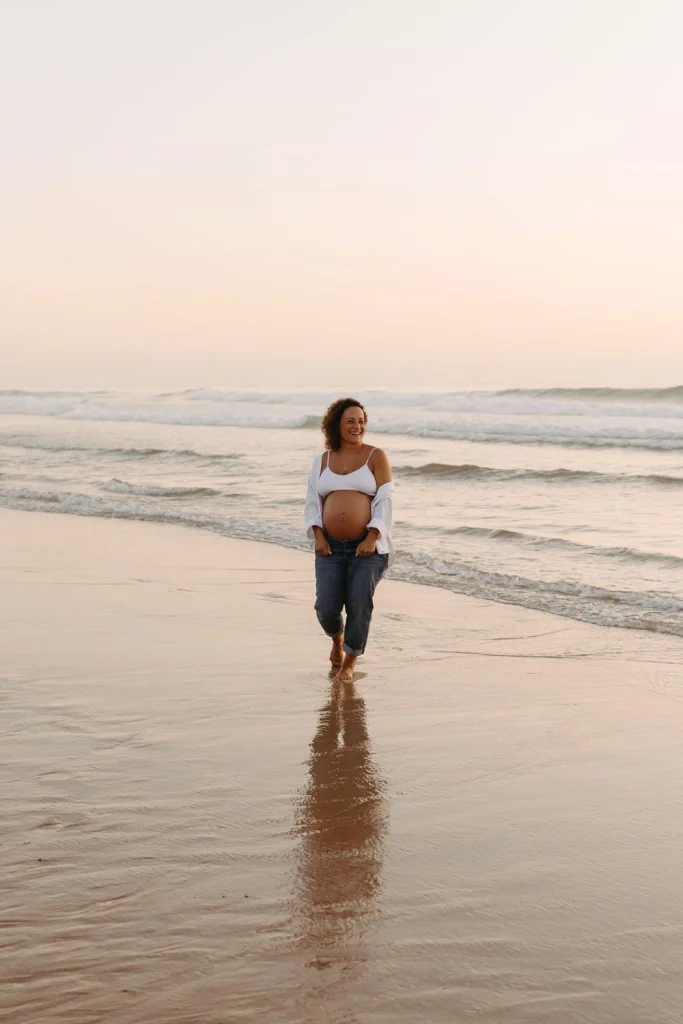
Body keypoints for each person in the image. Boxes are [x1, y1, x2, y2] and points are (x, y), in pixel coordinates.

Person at [304, 398, 394, 681]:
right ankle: (337, 641)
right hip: (329, 545)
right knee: (326, 607)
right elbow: (312, 502)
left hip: (368, 548)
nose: (358, 426)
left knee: (358, 604)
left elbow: (384, 500)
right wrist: (317, 535)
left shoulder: (375, 456)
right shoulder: (322, 461)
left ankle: (350, 663)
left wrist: (372, 535)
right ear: (336, 425)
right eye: (351, 421)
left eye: (361, 421)